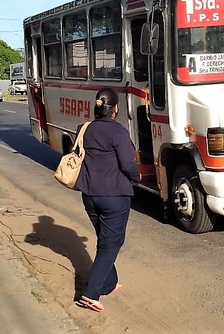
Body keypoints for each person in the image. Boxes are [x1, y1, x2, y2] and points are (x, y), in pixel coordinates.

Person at [74, 87, 141, 312]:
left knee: (105, 241)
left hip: (89, 195)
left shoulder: (84, 129)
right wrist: (137, 176)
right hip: (114, 196)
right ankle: (90, 293)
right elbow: (128, 164)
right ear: (116, 109)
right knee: (111, 243)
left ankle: (109, 283)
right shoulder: (118, 132)